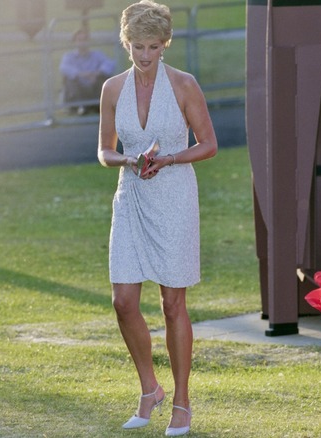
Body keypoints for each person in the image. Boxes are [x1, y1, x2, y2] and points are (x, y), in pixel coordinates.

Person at [97, 1, 217, 435]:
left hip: (174, 198)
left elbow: (208, 144)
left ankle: (182, 401)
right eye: (137, 46)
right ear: (126, 44)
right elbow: (104, 150)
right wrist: (127, 159)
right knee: (123, 301)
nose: (145, 55)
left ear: (165, 44)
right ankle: (150, 389)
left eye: (153, 46)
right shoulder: (112, 88)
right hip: (130, 198)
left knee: (172, 304)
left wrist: (169, 159)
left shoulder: (184, 84)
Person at [60, 27, 115, 115]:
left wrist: (97, 74)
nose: (83, 42)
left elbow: (110, 64)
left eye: (85, 39)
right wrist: (82, 74)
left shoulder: (97, 54)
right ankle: (80, 107)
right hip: (78, 89)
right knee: (69, 79)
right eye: (79, 40)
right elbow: (64, 68)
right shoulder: (69, 56)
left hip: (93, 87)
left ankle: (99, 105)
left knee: (104, 77)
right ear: (75, 42)